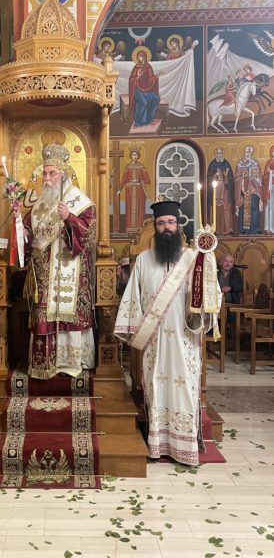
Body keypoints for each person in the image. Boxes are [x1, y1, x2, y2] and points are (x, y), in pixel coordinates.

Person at [114, 200, 215, 466]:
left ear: (178, 226)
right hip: (155, 341)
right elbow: (133, 298)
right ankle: (158, 445)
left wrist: (207, 268)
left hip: (185, 339)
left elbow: (207, 297)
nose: (166, 227)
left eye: (170, 222)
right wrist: (132, 329)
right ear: (155, 228)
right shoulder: (143, 260)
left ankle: (185, 446)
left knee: (184, 388)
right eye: (161, 223)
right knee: (157, 389)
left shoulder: (193, 259)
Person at [13, 143, 96, 380]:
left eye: (52, 173)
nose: (47, 179)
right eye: (45, 173)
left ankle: (71, 362)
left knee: (68, 313)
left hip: (71, 269)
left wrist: (69, 218)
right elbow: (30, 237)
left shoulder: (81, 202)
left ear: (64, 174)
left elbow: (88, 236)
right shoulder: (39, 205)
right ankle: (45, 363)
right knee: (45, 313)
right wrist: (22, 229)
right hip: (44, 275)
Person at [116, 148, 150, 232]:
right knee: (130, 208)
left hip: (139, 191)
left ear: (138, 156)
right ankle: (130, 228)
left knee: (139, 208)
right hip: (130, 191)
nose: (134, 156)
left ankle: (140, 228)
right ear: (130, 156)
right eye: (133, 155)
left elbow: (148, 180)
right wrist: (119, 189)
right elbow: (124, 179)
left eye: (136, 155)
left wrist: (139, 180)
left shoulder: (141, 167)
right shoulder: (128, 167)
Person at [234, 145, 262, 234]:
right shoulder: (239, 164)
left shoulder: (255, 163)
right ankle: (243, 229)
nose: (248, 153)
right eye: (247, 151)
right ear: (244, 152)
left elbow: (259, 177)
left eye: (250, 152)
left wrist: (256, 178)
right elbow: (236, 178)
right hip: (243, 190)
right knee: (243, 209)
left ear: (252, 153)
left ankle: (255, 229)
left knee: (254, 208)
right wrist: (242, 177)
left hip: (253, 190)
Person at [207, 147, 235, 235]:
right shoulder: (212, 164)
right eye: (218, 153)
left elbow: (231, 178)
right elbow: (208, 178)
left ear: (223, 154)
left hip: (225, 191)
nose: (219, 155)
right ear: (215, 154)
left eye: (221, 153)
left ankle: (227, 228)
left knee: (226, 209)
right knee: (215, 209)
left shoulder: (226, 164)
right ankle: (214, 228)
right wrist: (214, 176)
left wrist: (226, 177)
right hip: (215, 191)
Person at [129, 49, 160, 127]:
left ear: (144, 57)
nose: (139, 58)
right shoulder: (136, 67)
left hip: (147, 89)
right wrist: (137, 78)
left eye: (141, 56)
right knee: (143, 103)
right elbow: (131, 79)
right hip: (137, 90)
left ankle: (149, 119)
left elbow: (150, 79)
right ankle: (139, 122)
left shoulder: (148, 67)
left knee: (156, 99)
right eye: (138, 56)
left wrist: (155, 78)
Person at [262, 145, 274, 234]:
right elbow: (265, 177)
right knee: (269, 207)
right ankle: (269, 227)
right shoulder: (269, 162)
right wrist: (270, 173)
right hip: (270, 188)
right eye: (273, 151)